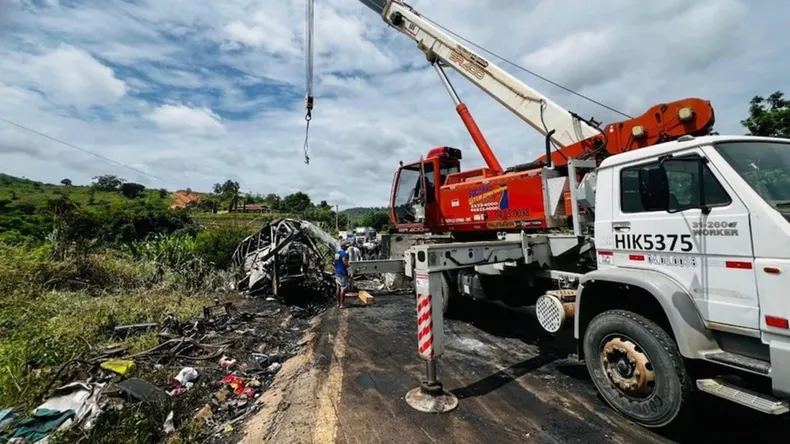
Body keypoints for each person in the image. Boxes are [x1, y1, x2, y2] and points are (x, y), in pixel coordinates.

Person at [333, 243, 350, 309]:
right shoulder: (343, 253)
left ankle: (338, 303)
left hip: (337, 272)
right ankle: (342, 304)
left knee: (338, 288)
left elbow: (334, 263)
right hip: (343, 273)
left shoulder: (337, 253)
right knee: (343, 288)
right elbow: (344, 262)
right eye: (346, 246)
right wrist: (349, 266)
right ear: (345, 247)